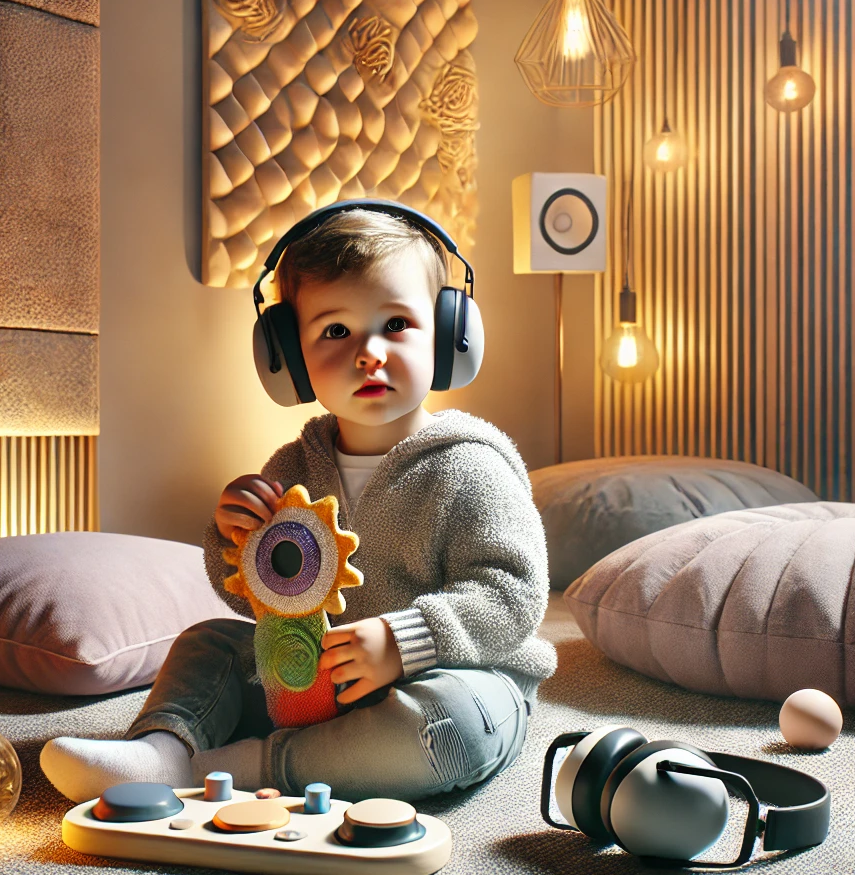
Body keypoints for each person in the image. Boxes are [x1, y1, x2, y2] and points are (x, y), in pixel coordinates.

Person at [41, 201, 556, 804]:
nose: (369, 353)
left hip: (454, 673)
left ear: (448, 336)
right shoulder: (293, 468)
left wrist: (404, 641)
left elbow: (513, 595)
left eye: (395, 325)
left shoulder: (471, 466)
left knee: (455, 728)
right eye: (336, 331)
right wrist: (233, 541)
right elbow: (255, 601)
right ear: (288, 357)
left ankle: (241, 768)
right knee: (208, 643)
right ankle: (163, 748)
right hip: (315, 678)